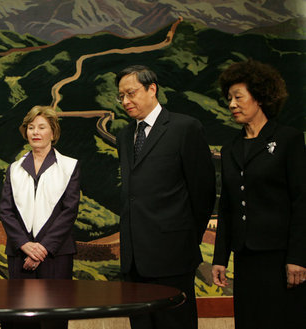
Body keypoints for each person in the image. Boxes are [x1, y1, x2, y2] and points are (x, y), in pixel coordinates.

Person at [115, 65, 216, 329]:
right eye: (121, 96)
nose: (125, 101)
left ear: (152, 89)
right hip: (134, 260)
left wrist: (184, 239)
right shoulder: (125, 135)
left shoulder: (185, 128)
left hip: (173, 257)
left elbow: (202, 193)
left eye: (131, 93)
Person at [212, 59, 306, 328]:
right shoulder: (230, 148)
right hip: (245, 258)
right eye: (229, 98)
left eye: (238, 97)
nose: (232, 104)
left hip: (281, 259)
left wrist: (299, 258)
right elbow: (227, 206)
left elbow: (302, 201)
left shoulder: (289, 139)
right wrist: (220, 259)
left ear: (260, 97)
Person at [0, 105, 80, 279]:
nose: (35, 132)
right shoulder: (14, 169)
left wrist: (43, 248)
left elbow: (69, 211)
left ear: (53, 133)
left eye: (42, 127)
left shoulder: (69, 166)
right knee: (20, 304)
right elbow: (6, 211)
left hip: (55, 253)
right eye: (31, 127)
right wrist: (24, 244)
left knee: (55, 304)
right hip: (20, 253)